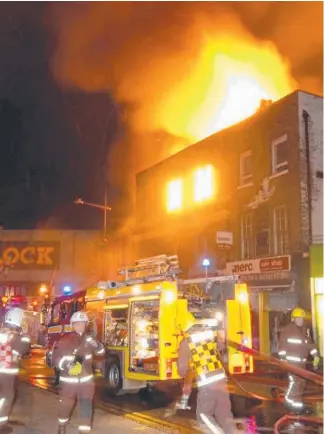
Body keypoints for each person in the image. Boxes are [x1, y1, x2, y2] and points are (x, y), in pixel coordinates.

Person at [177, 312, 237, 434]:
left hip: (207, 382)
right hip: (221, 379)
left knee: (203, 417)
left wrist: (185, 379)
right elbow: (220, 347)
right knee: (224, 413)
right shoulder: (210, 336)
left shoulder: (186, 343)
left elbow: (183, 369)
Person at [52, 311, 105, 434]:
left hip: (86, 381)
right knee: (66, 405)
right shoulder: (64, 341)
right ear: (72, 325)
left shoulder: (89, 339)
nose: (80, 326)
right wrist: (66, 364)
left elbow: (101, 353)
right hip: (69, 381)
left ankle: (84, 431)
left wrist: (97, 345)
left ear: (86, 324)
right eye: (77, 324)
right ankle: (62, 425)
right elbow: (55, 359)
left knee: (86, 405)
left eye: (82, 323)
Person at [278, 307, 320, 411]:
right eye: (298, 318)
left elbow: (310, 344)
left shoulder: (306, 330)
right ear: (293, 319)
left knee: (302, 383)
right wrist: (283, 359)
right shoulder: (288, 329)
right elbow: (282, 345)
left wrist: (315, 356)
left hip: (302, 362)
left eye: (302, 318)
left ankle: (295, 403)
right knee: (295, 382)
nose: (300, 320)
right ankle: (291, 402)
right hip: (292, 362)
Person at [0, 307, 31, 434]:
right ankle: (1, 424)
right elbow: (24, 349)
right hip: (7, 371)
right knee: (7, 396)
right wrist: (26, 335)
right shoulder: (16, 336)